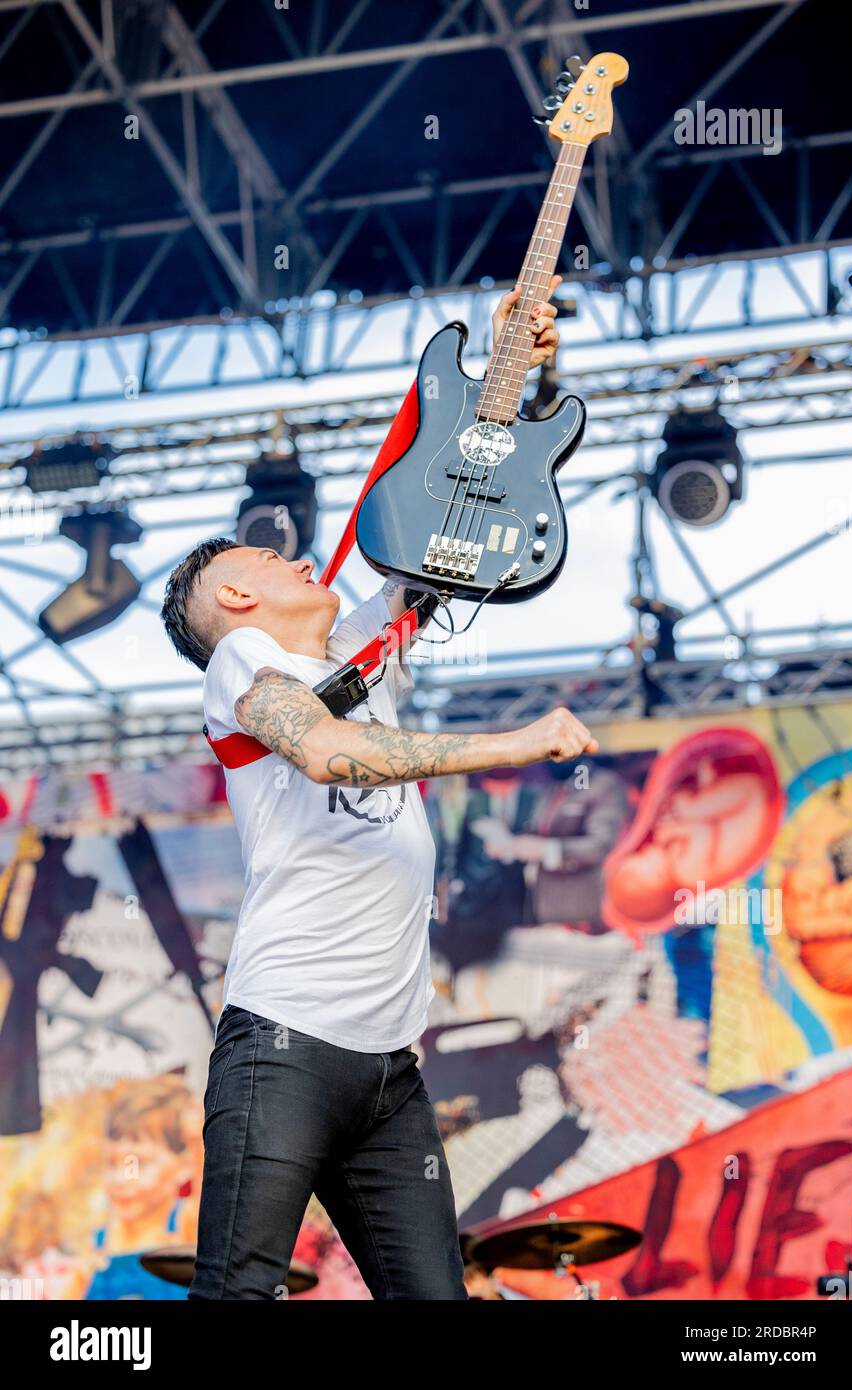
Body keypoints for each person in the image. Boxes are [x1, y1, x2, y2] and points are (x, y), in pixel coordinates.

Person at [160, 283, 599, 1301]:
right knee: (236, 1292)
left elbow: (449, 497)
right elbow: (322, 749)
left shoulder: (369, 644)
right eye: (268, 555)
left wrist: (507, 363)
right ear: (235, 596)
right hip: (282, 1045)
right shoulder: (245, 665)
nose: (300, 553)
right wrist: (513, 740)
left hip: (388, 1074)